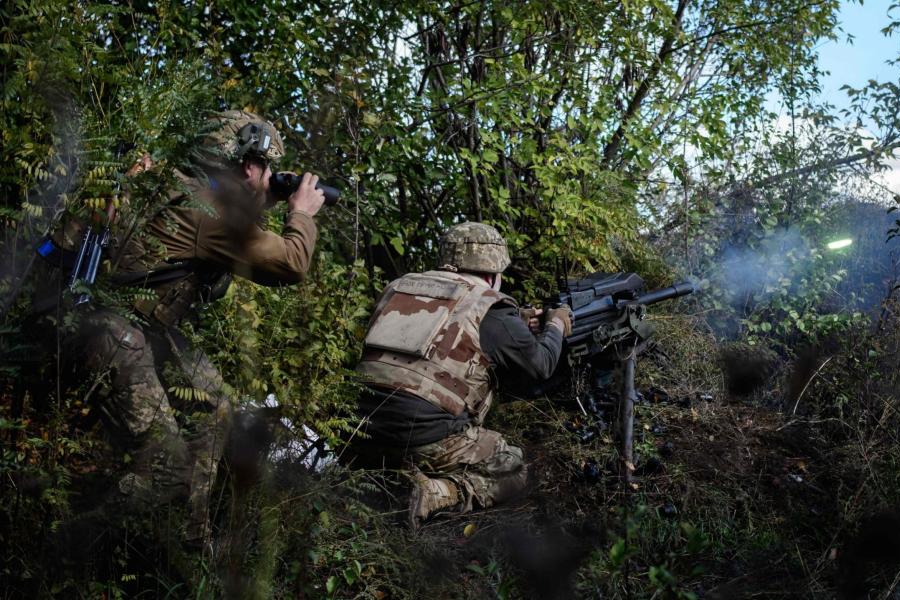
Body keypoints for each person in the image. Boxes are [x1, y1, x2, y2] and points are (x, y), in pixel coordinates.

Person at [72, 110, 327, 545]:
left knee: (214, 404)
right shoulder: (210, 212)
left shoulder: (172, 185)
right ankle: (69, 545)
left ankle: (189, 538)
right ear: (249, 167)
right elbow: (292, 263)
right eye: (268, 171)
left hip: (129, 325)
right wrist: (300, 212)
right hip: (114, 335)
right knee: (166, 471)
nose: (271, 182)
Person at [349, 221, 573, 528]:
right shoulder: (490, 307)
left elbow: (445, 325)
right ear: (492, 273)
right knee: (516, 468)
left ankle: (377, 470)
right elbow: (541, 366)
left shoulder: (399, 287)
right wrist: (556, 323)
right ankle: (438, 492)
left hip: (358, 428)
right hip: (423, 437)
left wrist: (516, 319)